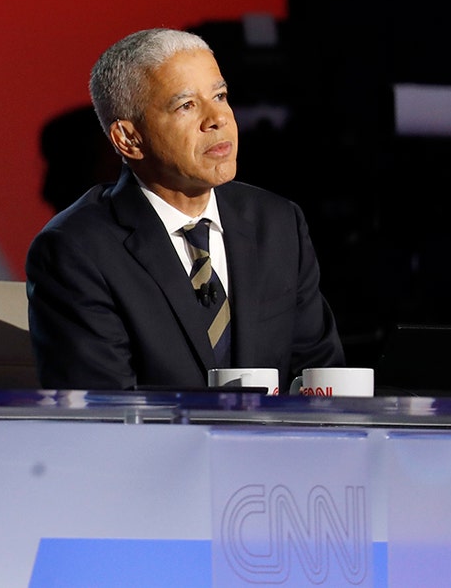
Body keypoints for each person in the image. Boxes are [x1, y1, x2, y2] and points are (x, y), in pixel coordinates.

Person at [26, 27, 344, 392]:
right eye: (186, 105)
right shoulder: (77, 251)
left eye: (220, 96)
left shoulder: (277, 224)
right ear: (128, 139)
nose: (217, 119)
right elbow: (105, 416)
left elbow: (320, 380)